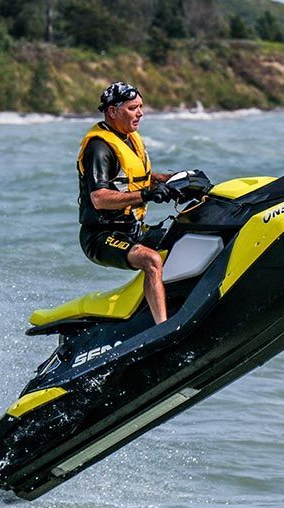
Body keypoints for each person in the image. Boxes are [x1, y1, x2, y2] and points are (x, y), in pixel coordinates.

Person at [77, 81, 175, 325]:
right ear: (113, 111)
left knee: (182, 237)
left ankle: (178, 304)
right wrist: (146, 195)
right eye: (133, 108)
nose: (140, 113)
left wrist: (173, 180)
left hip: (133, 229)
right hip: (101, 236)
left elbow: (134, 179)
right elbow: (98, 198)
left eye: (141, 107)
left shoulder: (130, 138)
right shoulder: (99, 147)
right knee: (151, 260)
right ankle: (163, 328)